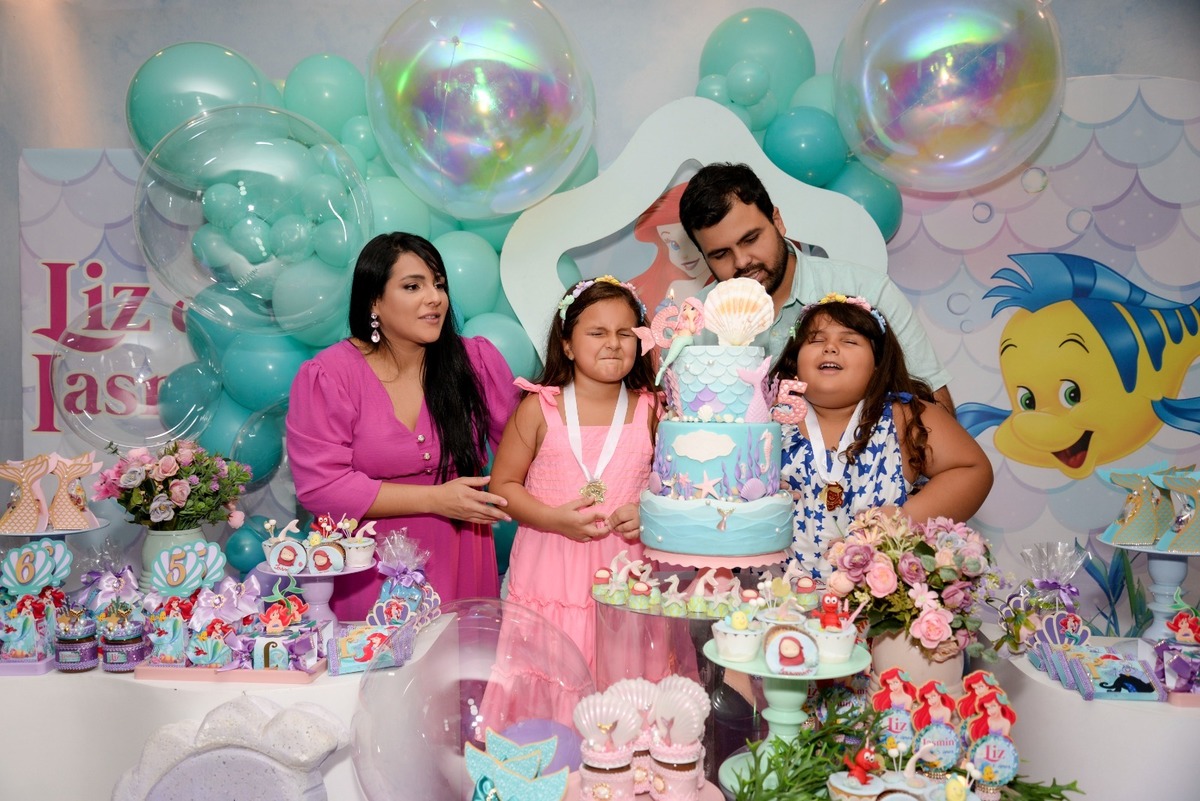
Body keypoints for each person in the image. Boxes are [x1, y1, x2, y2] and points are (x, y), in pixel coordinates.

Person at [286, 232, 520, 621]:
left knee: (459, 659)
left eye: (439, 285)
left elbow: (529, 451)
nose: (435, 298)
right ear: (374, 301)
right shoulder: (330, 375)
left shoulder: (475, 361)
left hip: (461, 558)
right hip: (366, 569)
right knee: (373, 659)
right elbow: (321, 487)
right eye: (413, 286)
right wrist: (434, 500)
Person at [678, 161, 954, 412]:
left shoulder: (868, 291)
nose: (741, 261)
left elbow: (936, 408)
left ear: (777, 221)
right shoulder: (693, 324)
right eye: (721, 254)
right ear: (704, 258)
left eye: (750, 239)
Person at [490, 275, 659, 675]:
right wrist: (552, 519)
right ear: (567, 343)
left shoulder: (652, 410)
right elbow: (503, 486)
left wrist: (648, 512)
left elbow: (672, 489)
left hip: (625, 567)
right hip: (551, 567)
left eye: (625, 333)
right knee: (552, 678)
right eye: (597, 332)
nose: (613, 343)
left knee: (624, 677)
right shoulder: (537, 408)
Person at [771, 294, 992, 578]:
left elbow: (972, 469)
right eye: (815, 340)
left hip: (876, 595)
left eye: (849, 341)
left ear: (878, 363)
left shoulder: (904, 415)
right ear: (794, 361)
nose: (830, 347)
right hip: (772, 592)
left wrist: (905, 518)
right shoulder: (769, 419)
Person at [628, 181, 711, 314]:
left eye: (690, 241)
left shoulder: (728, 286)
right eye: (673, 244)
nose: (684, 255)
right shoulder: (675, 288)